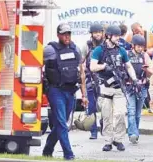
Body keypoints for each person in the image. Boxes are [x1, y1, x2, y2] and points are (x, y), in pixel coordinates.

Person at [42, 22, 88, 160]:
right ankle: (69, 155)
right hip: (55, 90)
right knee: (62, 123)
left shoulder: (76, 49)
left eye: (68, 34)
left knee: (60, 124)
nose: (67, 36)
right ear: (58, 35)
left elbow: (81, 73)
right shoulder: (50, 50)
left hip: (70, 91)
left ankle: (47, 149)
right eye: (63, 34)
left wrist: (84, 95)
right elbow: (37, 64)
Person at [90, 25, 138, 151]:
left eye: (119, 36)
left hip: (118, 88)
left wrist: (134, 79)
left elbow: (128, 66)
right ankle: (108, 141)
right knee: (106, 116)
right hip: (105, 88)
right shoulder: (99, 50)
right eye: (116, 36)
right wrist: (104, 66)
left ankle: (118, 139)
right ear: (109, 36)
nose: (118, 38)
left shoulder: (121, 50)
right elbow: (92, 67)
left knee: (120, 114)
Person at [126, 34, 152, 144]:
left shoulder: (145, 56)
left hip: (142, 86)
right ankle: (133, 133)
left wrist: (147, 70)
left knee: (137, 113)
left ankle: (134, 132)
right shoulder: (127, 55)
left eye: (142, 46)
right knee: (131, 110)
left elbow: (151, 72)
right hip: (130, 86)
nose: (140, 48)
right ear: (133, 45)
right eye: (138, 46)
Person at [81, 23, 104, 140]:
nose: (98, 34)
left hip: (104, 79)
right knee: (91, 107)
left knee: (105, 105)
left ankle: (104, 125)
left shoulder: (106, 45)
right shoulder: (87, 45)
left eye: (99, 32)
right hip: (90, 79)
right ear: (92, 34)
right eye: (95, 32)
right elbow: (81, 60)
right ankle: (93, 131)